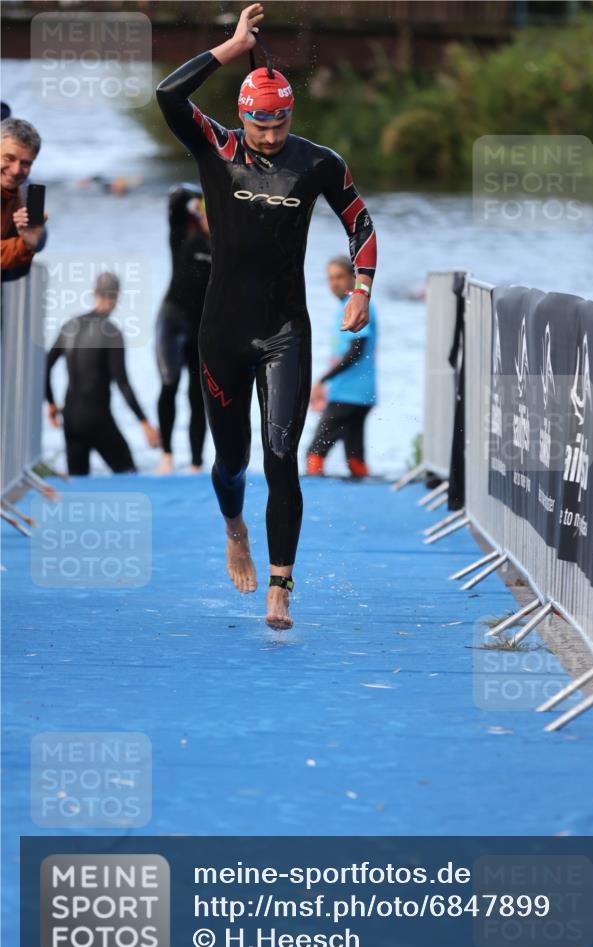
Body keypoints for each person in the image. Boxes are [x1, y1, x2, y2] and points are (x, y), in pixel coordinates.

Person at [156, 2, 377, 629]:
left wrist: (362, 288)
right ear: (242, 115)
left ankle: (282, 585)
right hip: (222, 333)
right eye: (260, 124)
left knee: (281, 453)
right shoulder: (216, 146)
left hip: (285, 332)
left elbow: (360, 223)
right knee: (231, 462)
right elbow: (168, 95)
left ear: (290, 116)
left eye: (280, 123)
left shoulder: (317, 162)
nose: (272, 136)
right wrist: (230, 49)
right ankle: (235, 530)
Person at [45, 272, 160, 475]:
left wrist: (51, 403)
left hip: (71, 418)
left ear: (93, 293)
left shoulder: (70, 326)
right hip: (98, 418)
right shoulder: (111, 333)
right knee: (128, 474)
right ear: (118, 296)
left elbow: (45, 366)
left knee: (78, 482)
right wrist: (144, 422)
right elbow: (122, 383)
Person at [155, 185, 211, 474]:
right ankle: (166, 455)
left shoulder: (226, 248)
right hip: (173, 319)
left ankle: (196, 463)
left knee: (198, 395)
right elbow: (176, 197)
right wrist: (202, 193)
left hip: (202, 325)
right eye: (207, 213)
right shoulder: (182, 236)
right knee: (170, 383)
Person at [307, 256, 378, 478]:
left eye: (339, 277)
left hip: (348, 393)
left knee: (315, 451)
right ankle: (363, 482)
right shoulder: (347, 306)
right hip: (361, 394)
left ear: (354, 278)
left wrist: (322, 380)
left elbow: (356, 350)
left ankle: (311, 492)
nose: (334, 283)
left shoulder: (355, 305)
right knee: (354, 455)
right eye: (330, 278)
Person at [1, 117, 48, 283]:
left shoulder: (22, 193)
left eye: (26, 164)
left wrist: (32, 242)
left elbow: (14, 272)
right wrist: (24, 246)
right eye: (9, 158)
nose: (16, 170)